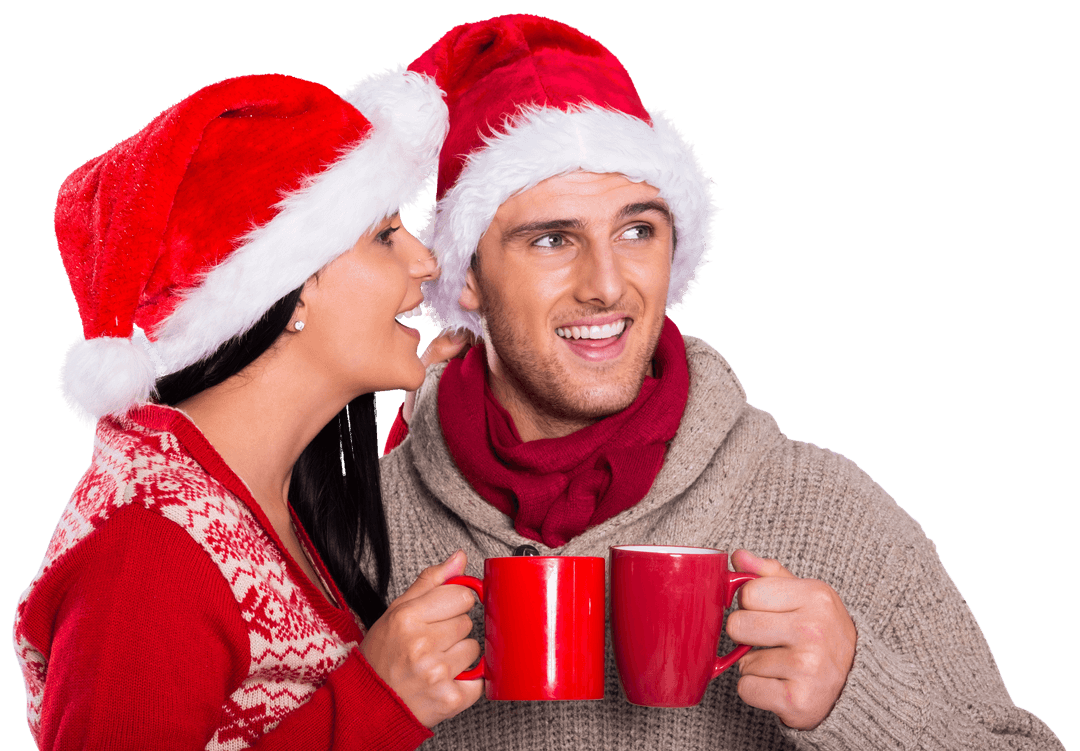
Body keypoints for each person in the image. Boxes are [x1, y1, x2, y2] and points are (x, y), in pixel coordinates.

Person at [378, 14, 1064, 750]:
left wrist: (858, 694)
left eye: (637, 230)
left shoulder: (827, 513)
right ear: (467, 277)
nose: (607, 284)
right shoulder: (358, 529)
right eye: (552, 239)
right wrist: (370, 704)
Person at [13, 71, 484, 749]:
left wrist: (432, 422)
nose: (425, 262)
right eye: (385, 235)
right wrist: (374, 701)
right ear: (288, 288)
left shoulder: (249, 494)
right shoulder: (146, 555)